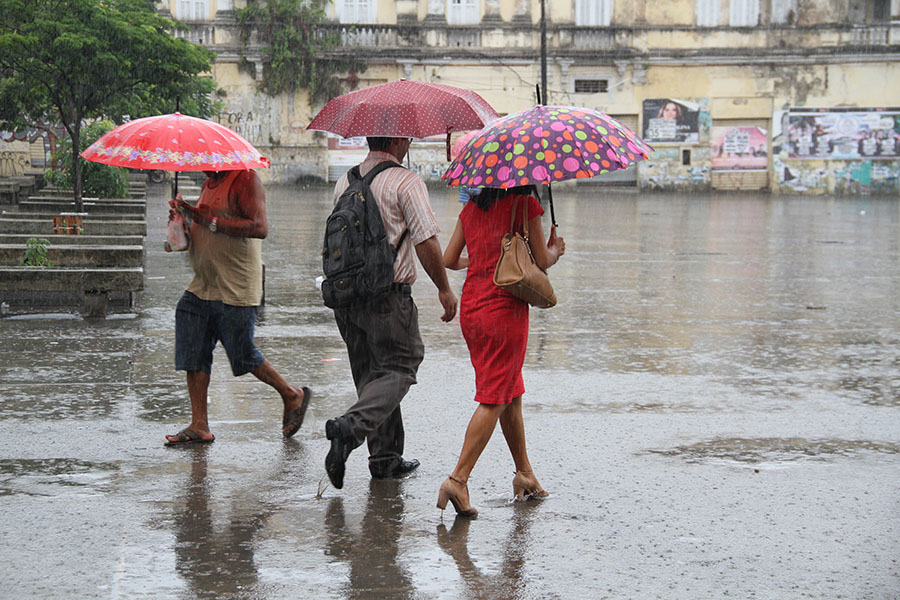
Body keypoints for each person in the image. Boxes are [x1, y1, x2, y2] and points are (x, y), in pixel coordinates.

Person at [324, 136, 458, 489]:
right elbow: (426, 240)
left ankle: (385, 460)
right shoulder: (405, 181)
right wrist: (444, 289)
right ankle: (348, 429)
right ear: (399, 138)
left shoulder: (345, 181)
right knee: (401, 364)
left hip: (347, 297)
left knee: (372, 377)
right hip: (387, 296)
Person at [437, 184, 565, 516]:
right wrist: (555, 250)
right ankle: (458, 479)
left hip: (473, 311)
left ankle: (524, 472)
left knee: (511, 389)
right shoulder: (524, 205)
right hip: (503, 311)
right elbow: (541, 261)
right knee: (495, 396)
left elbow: (449, 259)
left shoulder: (471, 209)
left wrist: (480, 258)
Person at [164, 169, 311, 446]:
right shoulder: (209, 183)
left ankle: (291, 394)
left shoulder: (246, 179)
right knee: (193, 347)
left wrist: (211, 221)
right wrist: (184, 221)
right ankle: (199, 425)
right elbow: (206, 226)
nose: (200, 164)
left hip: (236, 286)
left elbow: (259, 227)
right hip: (203, 285)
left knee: (242, 351)